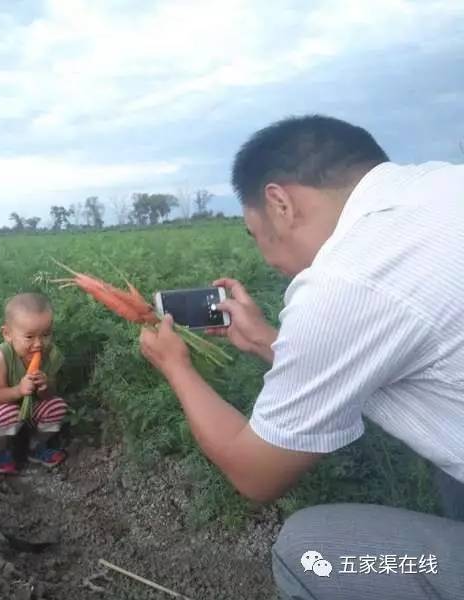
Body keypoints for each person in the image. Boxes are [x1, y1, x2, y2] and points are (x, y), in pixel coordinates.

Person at [139, 115, 464, 599]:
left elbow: (254, 472)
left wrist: (176, 367)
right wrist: (268, 342)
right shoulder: (441, 186)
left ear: (280, 203)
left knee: (310, 552)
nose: (269, 259)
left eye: (256, 234)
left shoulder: (346, 280)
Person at [0, 292, 68, 474]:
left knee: (57, 406)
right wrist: (18, 390)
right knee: (3, 414)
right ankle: (3, 452)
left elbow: (51, 393)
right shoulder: (1, 356)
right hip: (5, 410)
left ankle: (36, 446)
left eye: (46, 334)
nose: (39, 343)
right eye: (29, 337)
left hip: (34, 411)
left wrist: (46, 387)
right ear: (7, 334)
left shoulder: (52, 354)